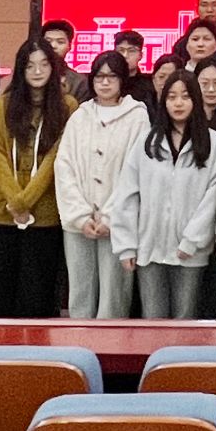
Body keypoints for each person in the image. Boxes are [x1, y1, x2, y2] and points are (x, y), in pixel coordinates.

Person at [0, 39, 75, 318]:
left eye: (44, 64)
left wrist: (24, 201)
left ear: (54, 68)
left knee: (36, 300)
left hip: (44, 216)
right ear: (20, 69)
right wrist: (15, 201)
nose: (37, 71)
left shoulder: (68, 107)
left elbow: (55, 158)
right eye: (30, 65)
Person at [112, 73, 216, 319]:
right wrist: (126, 246)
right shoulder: (147, 141)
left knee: (185, 321)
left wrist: (192, 240)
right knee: (153, 323)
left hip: (190, 252)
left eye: (185, 96)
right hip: (149, 249)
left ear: (195, 100)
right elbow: (127, 194)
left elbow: (214, 196)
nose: (178, 103)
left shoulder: (211, 142)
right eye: (172, 97)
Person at [55, 52, 146, 319]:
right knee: (80, 293)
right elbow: (64, 166)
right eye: (99, 77)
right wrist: (81, 215)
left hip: (118, 223)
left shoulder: (138, 117)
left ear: (122, 80)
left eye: (112, 77)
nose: (105, 83)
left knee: (114, 296)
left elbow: (135, 171)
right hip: (79, 223)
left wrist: (110, 216)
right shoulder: (79, 116)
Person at [41, 20, 86, 101]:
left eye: (60, 42)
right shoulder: (30, 74)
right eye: (48, 41)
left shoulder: (79, 82)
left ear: (70, 46)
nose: (53, 46)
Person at [112, 30, 156, 107]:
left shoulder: (150, 84)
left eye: (131, 51)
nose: (125, 55)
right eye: (121, 50)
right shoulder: (107, 82)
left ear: (140, 55)